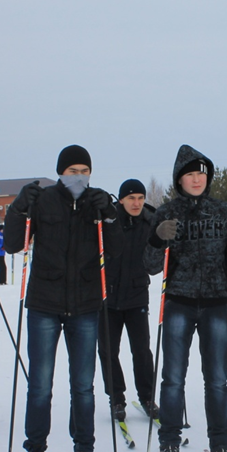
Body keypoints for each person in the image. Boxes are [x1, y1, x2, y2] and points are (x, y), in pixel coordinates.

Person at [3, 145, 123, 452]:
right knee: (40, 384)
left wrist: (110, 215)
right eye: (72, 170)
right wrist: (17, 209)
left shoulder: (97, 201)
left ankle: (84, 451)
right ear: (60, 172)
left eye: (84, 170)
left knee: (83, 386)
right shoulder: (43, 200)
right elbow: (14, 244)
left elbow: (115, 249)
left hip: (85, 305)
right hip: (44, 303)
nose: (78, 176)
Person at [143, 145, 227, 452]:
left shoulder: (223, 211)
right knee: (173, 378)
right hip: (178, 301)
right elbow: (151, 266)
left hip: (216, 304)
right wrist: (155, 239)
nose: (197, 179)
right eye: (190, 174)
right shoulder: (167, 212)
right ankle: (169, 440)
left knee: (217, 380)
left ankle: (221, 444)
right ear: (180, 178)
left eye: (201, 173)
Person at [97, 179, 158, 424]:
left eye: (140, 198)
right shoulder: (109, 219)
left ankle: (147, 397)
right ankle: (116, 397)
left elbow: (157, 257)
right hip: (107, 297)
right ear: (121, 199)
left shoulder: (150, 221)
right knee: (108, 351)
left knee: (142, 350)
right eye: (131, 198)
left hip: (136, 296)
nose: (136, 203)